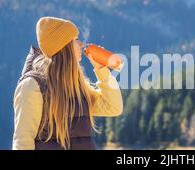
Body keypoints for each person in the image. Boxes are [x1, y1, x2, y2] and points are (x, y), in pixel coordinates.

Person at [12, 16, 123, 150]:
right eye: (76, 40)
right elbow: (23, 142)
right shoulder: (32, 87)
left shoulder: (77, 87)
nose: (81, 44)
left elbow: (113, 107)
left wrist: (101, 69)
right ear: (64, 47)